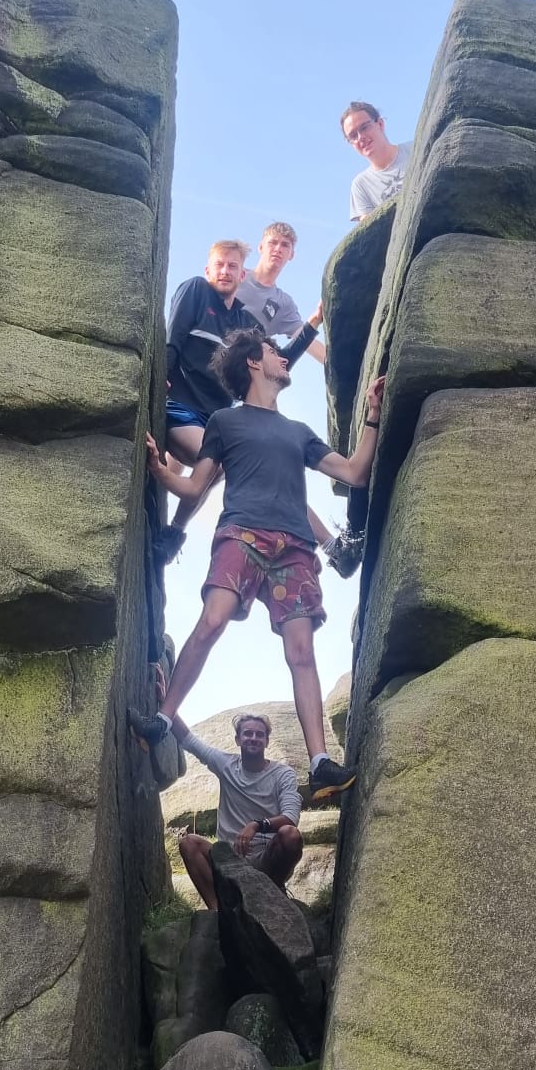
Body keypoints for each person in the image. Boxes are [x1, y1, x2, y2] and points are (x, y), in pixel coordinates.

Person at [132, 328, 384, 804]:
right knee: (212, 620)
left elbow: (354, 472)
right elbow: (195, 488)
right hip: (241, 535)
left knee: (302, 650)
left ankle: (320, 764)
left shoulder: (297, 433)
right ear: (253, 363)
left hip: (293, 548)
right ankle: (162, 721)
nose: (282, 358)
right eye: (273, 351)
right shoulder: (225, 423)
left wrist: (372, 414)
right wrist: (160, 470)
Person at [156, 239, 262, 565]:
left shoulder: (246, 323)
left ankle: (175, 531)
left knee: (226, 462)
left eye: (232, 266)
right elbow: (173, 337)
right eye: (220, 264)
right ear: (209, 268)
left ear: (243, 274)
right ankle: (174, 526)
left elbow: (267, 367)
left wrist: (311, 328)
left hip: (216, 417)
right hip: (181, 403)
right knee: (213, 458)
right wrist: (161, 376)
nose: (225, 271)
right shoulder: (196, 290)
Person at [172, 710, 303, 907]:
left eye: (260, 735)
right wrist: (167, 704)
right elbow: (188, 740)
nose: (254, 738)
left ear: (267, 742)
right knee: (189, 843)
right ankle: (218, 911)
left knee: (290, 835)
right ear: (238, 739)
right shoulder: (226, 765)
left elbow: (291, 818)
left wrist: (256, 825)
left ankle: (274, 893)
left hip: (265, 857)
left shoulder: (282, 774)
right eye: (248, 733)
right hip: (229, 859)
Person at [235, 222, 327, 365]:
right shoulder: (235, 276)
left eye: (285, 245)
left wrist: (344, 366)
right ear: (260, 247)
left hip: (239, 370)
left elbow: (305, 341)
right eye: (273, 242)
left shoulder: (283, 303)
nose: (278, 249)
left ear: (291, 255)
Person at [341, 101, 413, 220]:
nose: (360, 137)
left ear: (380, 124)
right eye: (353, 136)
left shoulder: (416, 149)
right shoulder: (360, 185)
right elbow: (370, 231)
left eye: (364, 127)